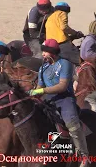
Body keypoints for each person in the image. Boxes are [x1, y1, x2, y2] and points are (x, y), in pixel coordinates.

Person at [28, 39, 90, 167]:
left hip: (65, 98)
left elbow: (62, 86)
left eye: (45, 52)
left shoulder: (65, 64)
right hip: (48, 99)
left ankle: (83, 155)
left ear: (52, 53)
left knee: (71, 123)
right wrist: (32, 94)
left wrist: (41, 90)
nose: (43, 54)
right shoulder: (42, 68)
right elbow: (39, 87)